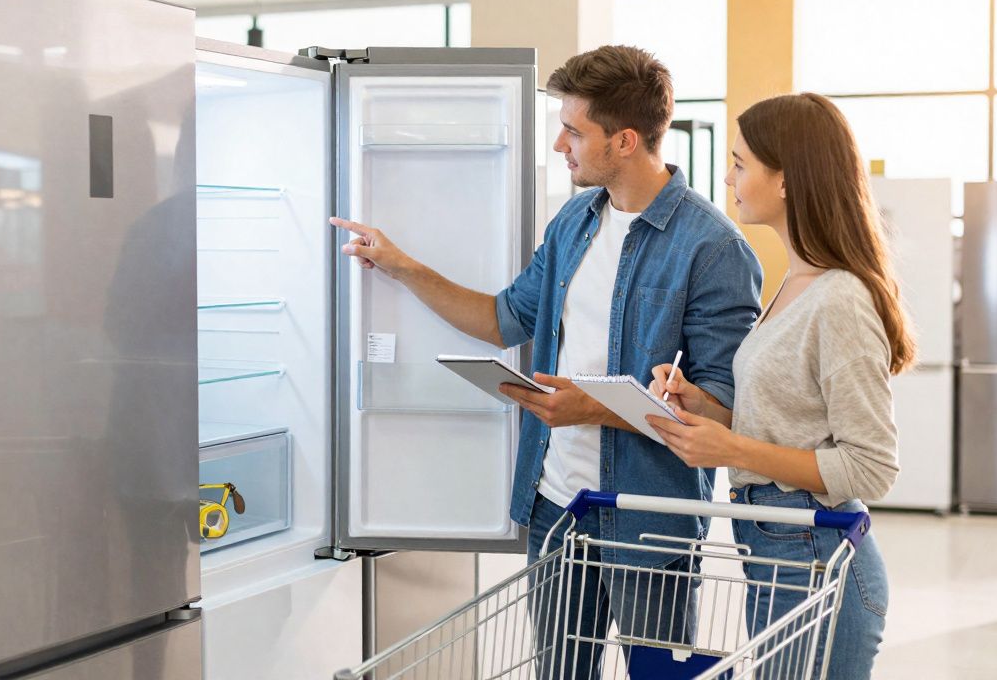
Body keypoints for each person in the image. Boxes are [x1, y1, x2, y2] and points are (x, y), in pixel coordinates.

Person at [330, 45, 762, 678]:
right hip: (556, 508)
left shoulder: (713, 247)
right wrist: (398, 265)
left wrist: (592, 407)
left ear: (624, 140)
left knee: (656, 673)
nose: (560, 143)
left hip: (650, 522)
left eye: (573, 130)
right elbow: (505, 319)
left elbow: (721, 412)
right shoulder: (574, 223)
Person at [645, 92, 906, 679]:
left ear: (786, 180)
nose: (728, 176)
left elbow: (871, 467)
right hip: (775, 546)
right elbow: (791, 424)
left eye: (741, 164)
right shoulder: (798, 281)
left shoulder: (839, 298)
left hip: (819, 560)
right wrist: (705, 408)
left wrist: (733, 450)